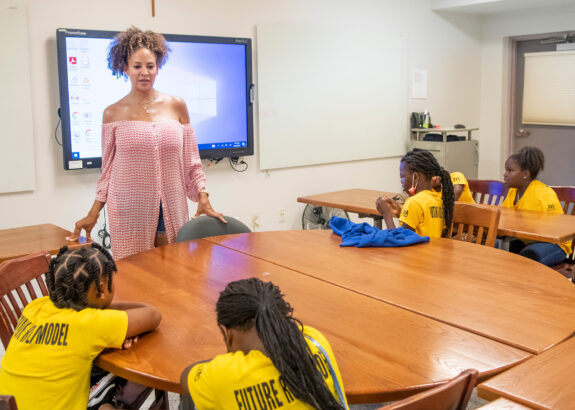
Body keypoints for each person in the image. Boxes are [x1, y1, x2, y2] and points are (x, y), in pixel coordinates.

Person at [67, 26, 225, 259]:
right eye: (137, 66)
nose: (144, 72)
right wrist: (93, 213)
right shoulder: (112, 113)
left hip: (172, 204)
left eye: (150, 66)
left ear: (158, 67)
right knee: (136, 274)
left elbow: (191, 160)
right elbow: (108, 171)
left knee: (175, 270)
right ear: (125, 68)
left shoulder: (176, 106)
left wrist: (203, 194)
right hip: (128, 209)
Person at [0, 244, 162, 410]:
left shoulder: (33, 307)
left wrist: (110, 317)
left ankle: (100, 398)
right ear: (101, 290)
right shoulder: (90, 323)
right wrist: (111, 316)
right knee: (120, 374)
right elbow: (152, 314)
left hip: (10, 404)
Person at [180, 278, 348, 410]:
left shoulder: (223, 375)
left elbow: (186, 376)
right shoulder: (315, 340)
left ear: (227, 333)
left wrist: (226, 360)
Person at [500, 146, 571, 266]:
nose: (505, 174)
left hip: (553, 243)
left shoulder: (543, 194)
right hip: (527, 240)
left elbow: (557, 229)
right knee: (493, 247)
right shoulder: (513, 191)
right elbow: (504, 217)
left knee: (527, 258)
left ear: (525, 174)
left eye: (510, 171)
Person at [376, 149, 454, 238]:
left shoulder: (413, 202)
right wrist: (399, 213)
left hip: (415, 252)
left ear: (415, 177)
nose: (401, 181)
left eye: (402, 177)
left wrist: (386, 214)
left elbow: (399, 241)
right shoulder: (439, 199)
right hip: (432, 251)